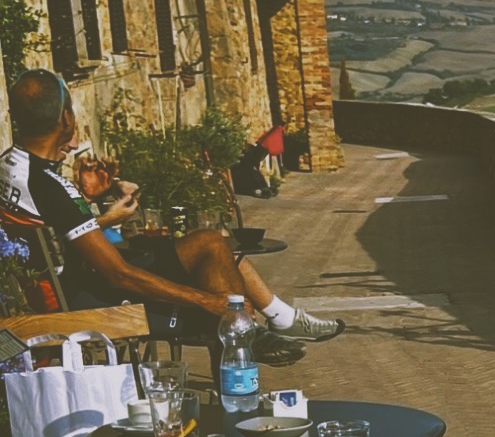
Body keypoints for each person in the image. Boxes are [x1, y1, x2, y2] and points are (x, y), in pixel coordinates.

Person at [2, 69, 344, 366]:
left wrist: (94, 203)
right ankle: (244, 365)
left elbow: (57, 225)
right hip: (80, 301)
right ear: (65, 119)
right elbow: (119, 275)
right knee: (217, 286)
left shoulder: (10, 166)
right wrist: (208, 302)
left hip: (56, 286)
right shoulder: (54, 187)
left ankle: (259, 330)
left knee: (211, 244)